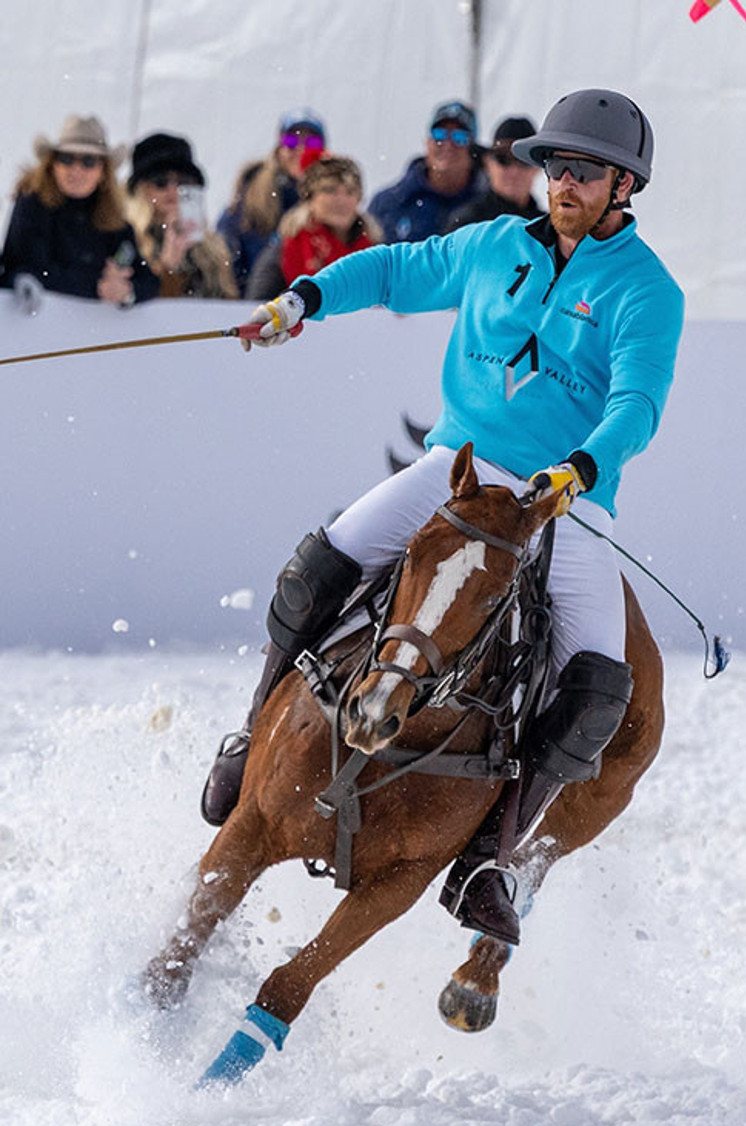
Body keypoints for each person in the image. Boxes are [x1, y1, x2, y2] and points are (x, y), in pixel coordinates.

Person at [201, 89, 685, 945]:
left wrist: (582, 466)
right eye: (556, 166)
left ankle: (487, 860)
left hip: (565, 500)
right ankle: (250, 738)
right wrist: (302, 301)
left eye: (585, 171)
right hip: (457, 469)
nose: (564, 183)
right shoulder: (494, 244)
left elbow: (638, 402)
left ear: (624, 185)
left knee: (598, 689)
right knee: (317, 566)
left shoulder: (649, 289)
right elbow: (393, 270)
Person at [1, 115, 158, 306]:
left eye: (88, 161)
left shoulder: (115, 222)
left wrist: (127, 291)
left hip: (93, 325)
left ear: (103, 172)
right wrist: (98, 285)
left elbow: (149, 282)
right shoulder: (32, 206)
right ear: (52, 166)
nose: (76, 170)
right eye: (66, 159)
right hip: (38, 321)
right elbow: (28, 269)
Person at [217, 109, 327, 295]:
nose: (301, 149)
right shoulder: (250, 200)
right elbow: (226, 258)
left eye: (312, 143)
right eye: (291, 141)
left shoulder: (339, 202)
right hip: (256, 303)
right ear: (279, 149)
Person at [246, 155, 382, 300]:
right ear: (310, 197)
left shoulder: (376, 250)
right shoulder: (284, 252)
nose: (341, 200)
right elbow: (257, 307)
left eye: (350, 191)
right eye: (330, 190)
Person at [125, 132, 238, 299]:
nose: (173, 190)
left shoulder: (211, 247)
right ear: (141, 189)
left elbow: (226, 303)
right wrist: (169, 266)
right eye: (160, 182)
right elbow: (137, 304)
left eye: (183, 182)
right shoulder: (129, 241)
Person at [368, 100, 487, 242]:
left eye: (459, 137)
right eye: (439, 135)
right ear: (427, 142)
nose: (448, 145)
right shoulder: (389, 204)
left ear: (474, 149)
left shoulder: (489, 205)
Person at [451, 116, 543, 228]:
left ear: (537, 168)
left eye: (524, 161)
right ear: (487, 163)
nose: (514, 171)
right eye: (503, 159)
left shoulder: (549, 228)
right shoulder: (468, 225)